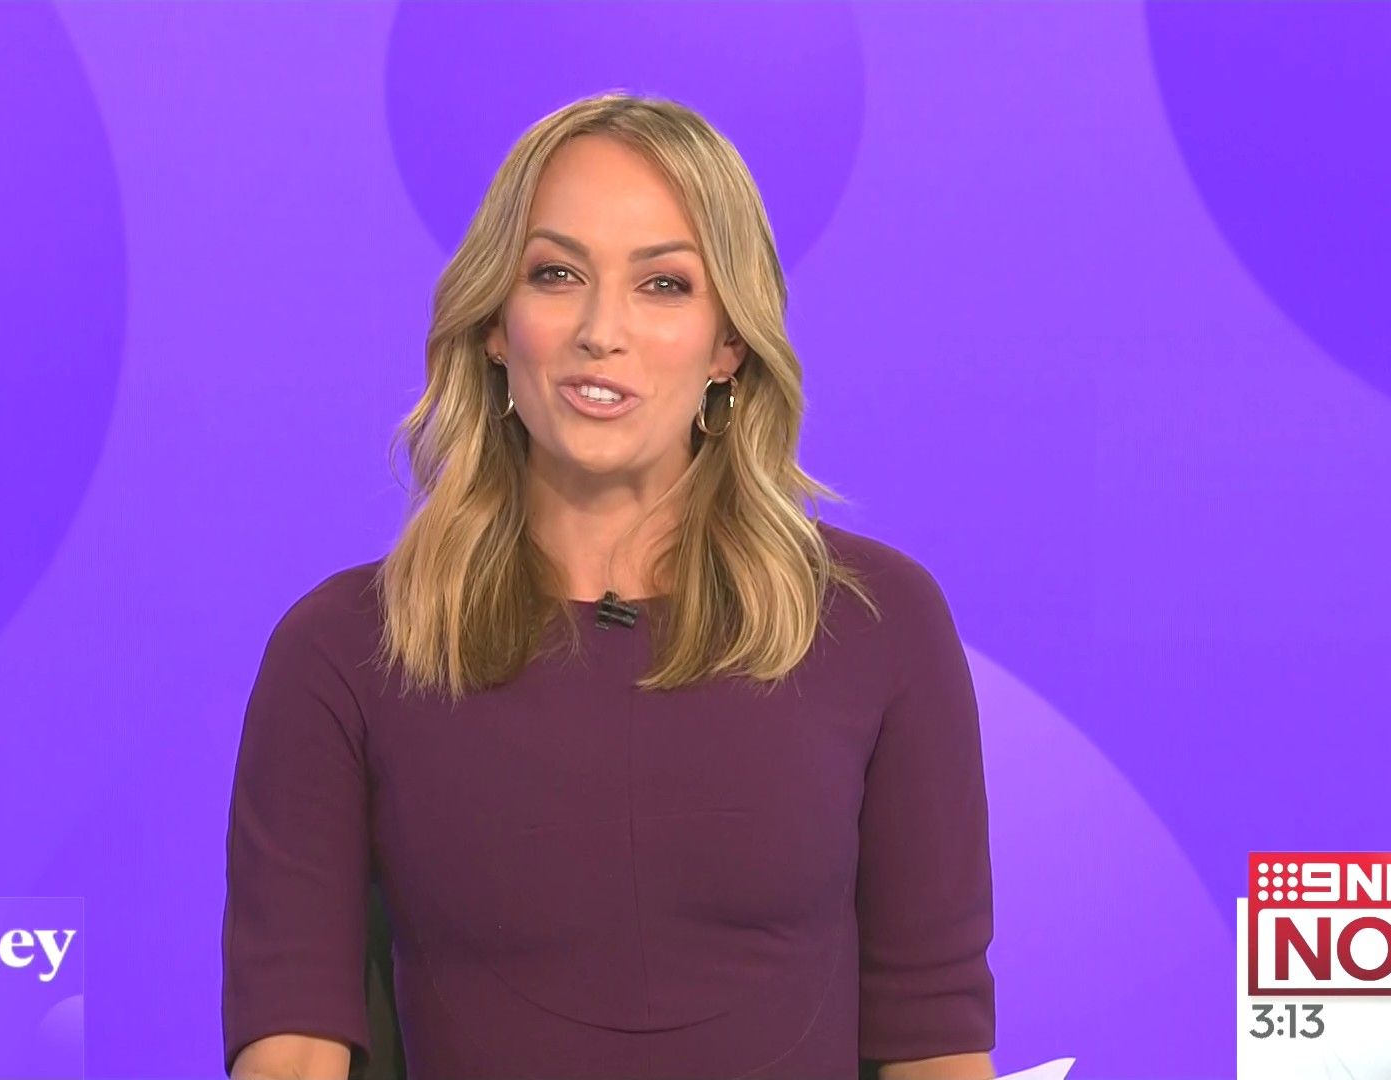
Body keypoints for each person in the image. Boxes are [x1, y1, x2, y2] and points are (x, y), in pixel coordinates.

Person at [222, 91, 997, 1080]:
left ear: (728, 345)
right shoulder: (345, 649)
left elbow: (935, 1043)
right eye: (556, 274)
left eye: (663, 285)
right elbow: (291, 1047)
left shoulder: (879, 624)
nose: (602, 330)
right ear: (496, 324)